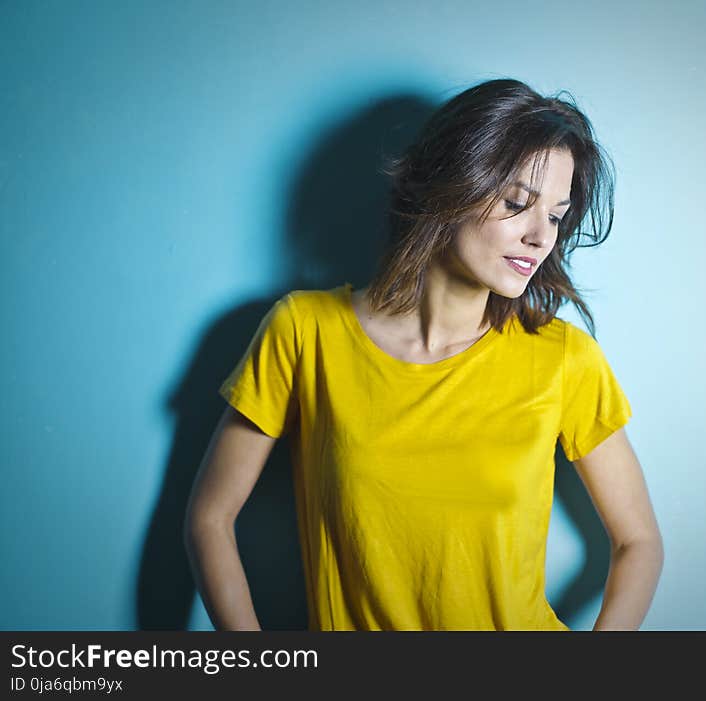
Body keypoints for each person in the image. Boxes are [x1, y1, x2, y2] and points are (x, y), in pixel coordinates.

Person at [183, 78, 663, 631]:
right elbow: (209, 517)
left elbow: (640, 541)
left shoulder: (563, 360)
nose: (539, 236)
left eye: (555, 215)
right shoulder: (306, 332)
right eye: (516, 203)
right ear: (449, 185)